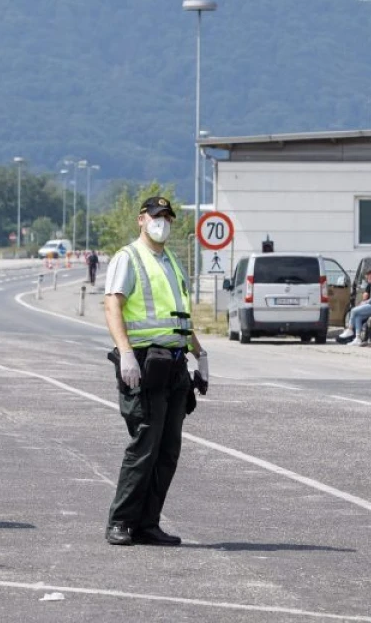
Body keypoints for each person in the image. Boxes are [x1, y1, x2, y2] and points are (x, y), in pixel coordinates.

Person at [102, 196, 209, 547]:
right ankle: (121, 521)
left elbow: (178, 317)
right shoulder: (128, 257)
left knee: (167, 450)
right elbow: (113, 305)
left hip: (175, 364)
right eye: (155, 216)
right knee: (144, 445)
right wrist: (126, 353)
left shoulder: (172, 261)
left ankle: (147, 523)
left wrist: (200, 353)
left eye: (167, 217)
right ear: (141, 220)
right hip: (145, 364)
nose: (161, 221)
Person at [339, 269, 371, 347]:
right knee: (358, 317)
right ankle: (357, 338)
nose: (367, 280)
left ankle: (350, 330)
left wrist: (363, 303)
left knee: (353, 310)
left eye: (367, 278)